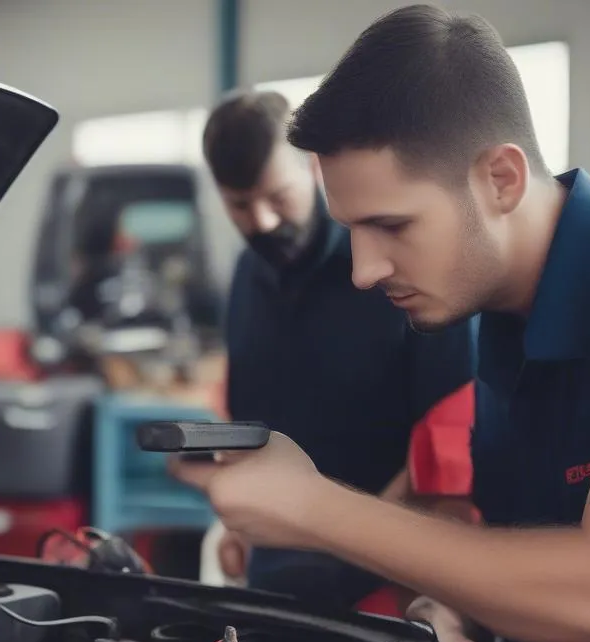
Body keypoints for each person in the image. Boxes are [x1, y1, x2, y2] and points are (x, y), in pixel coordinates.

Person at [173, 3, 590, 642]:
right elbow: (516, 553)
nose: (363, 270)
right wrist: (465, 624)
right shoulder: (501, 333)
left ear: (502, 179)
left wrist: (315, 506)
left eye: (392, 227)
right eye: (352, 230)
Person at [201, 89, 474, 609]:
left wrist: (348, 541)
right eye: (239, 205)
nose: (261, 222)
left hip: (396, 575)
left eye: (276, 197)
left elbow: (448, 443)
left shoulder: (394, 268)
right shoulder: (243, 277)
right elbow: (248, 420)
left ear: (312, 167)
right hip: (279, 573)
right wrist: (238, 525)